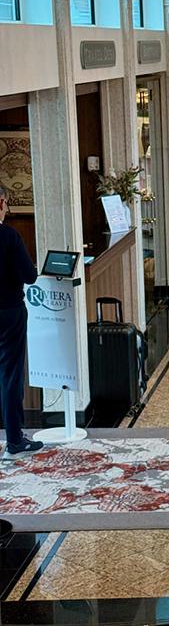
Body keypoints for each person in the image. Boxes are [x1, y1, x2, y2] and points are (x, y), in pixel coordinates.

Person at [0, 185, 43, 458]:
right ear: (1, 202)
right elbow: (29, 276)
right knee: (9, 375)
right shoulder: (9, 236)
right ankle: (15, 439)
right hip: (8, 313)